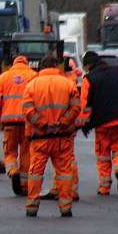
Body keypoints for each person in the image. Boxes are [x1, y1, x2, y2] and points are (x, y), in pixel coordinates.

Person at [22, 55, 81, 217]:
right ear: (57, 66)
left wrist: (42, 124)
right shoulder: (69, 84)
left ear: (40, 67)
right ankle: (65, 207)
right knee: (64, 173)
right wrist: (62, 122)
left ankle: (32, 206)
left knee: (35, 172)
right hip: (62, 136)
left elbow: (27, 109)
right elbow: (76, 108)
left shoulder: (31, 86)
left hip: (40, 137)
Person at [77, 50, 118, 196]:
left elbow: (85, 105)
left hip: (102, 123)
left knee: (103, 155)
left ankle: (104, 187)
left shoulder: (88, 79)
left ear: (87, 65)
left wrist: (84, 125)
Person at [0, 54, 36, 194]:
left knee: (10, 152)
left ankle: (13, 171)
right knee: (27, 153)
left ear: (13, 63)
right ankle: (25, 185)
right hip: (27, 122)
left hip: (9, 122)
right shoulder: (33, 75)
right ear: (27, 63)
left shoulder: (3, 77)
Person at [41, 56, 83, 201]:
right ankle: (65, 189)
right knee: (65, 158)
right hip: (66, 126)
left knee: (61, 159)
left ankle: (64, 189)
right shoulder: (70, 81)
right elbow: (76, 106)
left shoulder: (48, 81)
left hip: (51, 127)